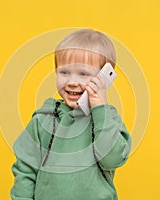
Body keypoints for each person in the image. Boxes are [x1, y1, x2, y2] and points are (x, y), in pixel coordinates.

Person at [10, 29, 132, 200]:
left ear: (103, 78)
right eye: (64, 72)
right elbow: (25, 169)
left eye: (83, 74)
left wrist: (100, 110)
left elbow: (111, 159)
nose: (72, 82)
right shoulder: (42, 120)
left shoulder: (107, 119)